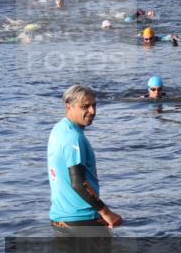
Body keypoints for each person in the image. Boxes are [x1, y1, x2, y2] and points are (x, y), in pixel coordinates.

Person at [47, 85, 124, 232]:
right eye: (85, 106)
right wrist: (106, 213)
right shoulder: (73, 138)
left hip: (60, 219)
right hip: (82, 220)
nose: (92, 111)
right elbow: (78, 183)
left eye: (94, 105)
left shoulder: (59, 129)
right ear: (69, 107)